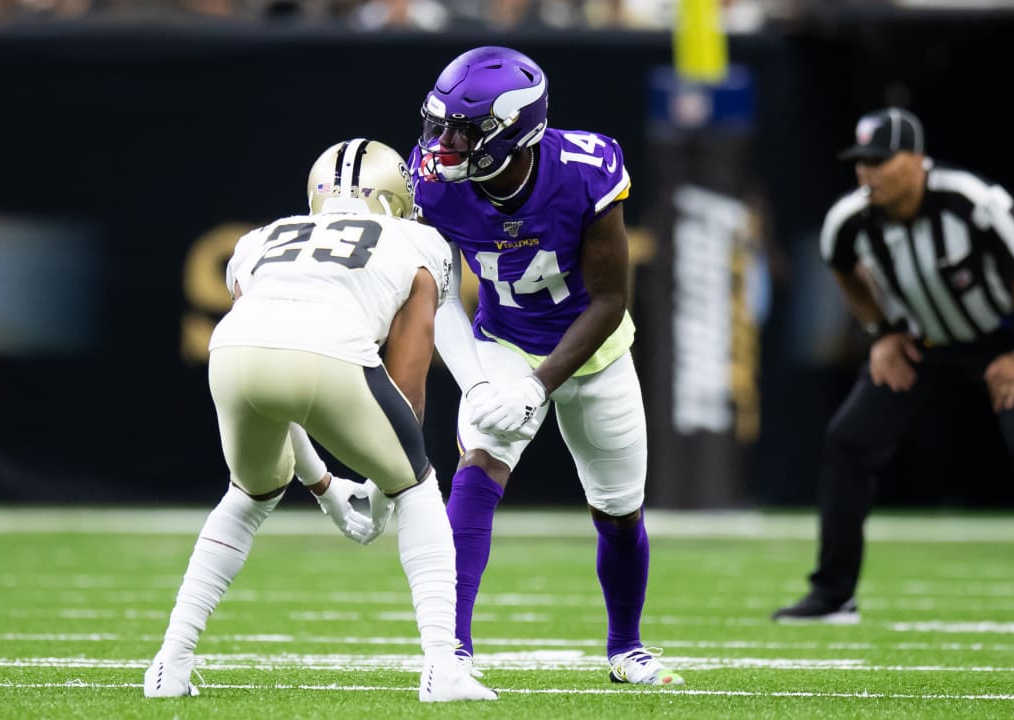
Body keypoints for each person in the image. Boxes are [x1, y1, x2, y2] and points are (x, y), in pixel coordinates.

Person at [143, 138, 497, 702]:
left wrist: (326, 488)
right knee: (420, 485)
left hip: (231, 353)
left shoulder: (262, 237)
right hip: (328, 353)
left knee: (248, 494)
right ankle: (442, 668)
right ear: (395, 195)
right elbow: (407, 386)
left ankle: (170, 662)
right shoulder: (420, 241)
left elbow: (273, 371)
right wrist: (388, 490)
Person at [410, 46, 684, 685]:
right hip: (502, 338)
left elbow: (612, 300)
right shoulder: (431, 179)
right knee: (477, 464)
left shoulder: (585, 170)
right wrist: (479, 382)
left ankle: (626, 648)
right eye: (442, 124)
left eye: (467, 131)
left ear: (518, 130)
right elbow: (440, 294)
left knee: (619, 510)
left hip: (594, 350)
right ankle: (449, 653)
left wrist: (539, 386)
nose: (446, 143)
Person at [773, 108, 1014, 624]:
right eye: (861, 163)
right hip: (923, 342)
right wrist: (881, 333)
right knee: (848, 439)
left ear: (915, 159)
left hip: (1004, 339)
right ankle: (834, 593)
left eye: (880, 160)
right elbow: (843, 269)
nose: (868, 173)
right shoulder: (850, 218)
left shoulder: (972, 202)